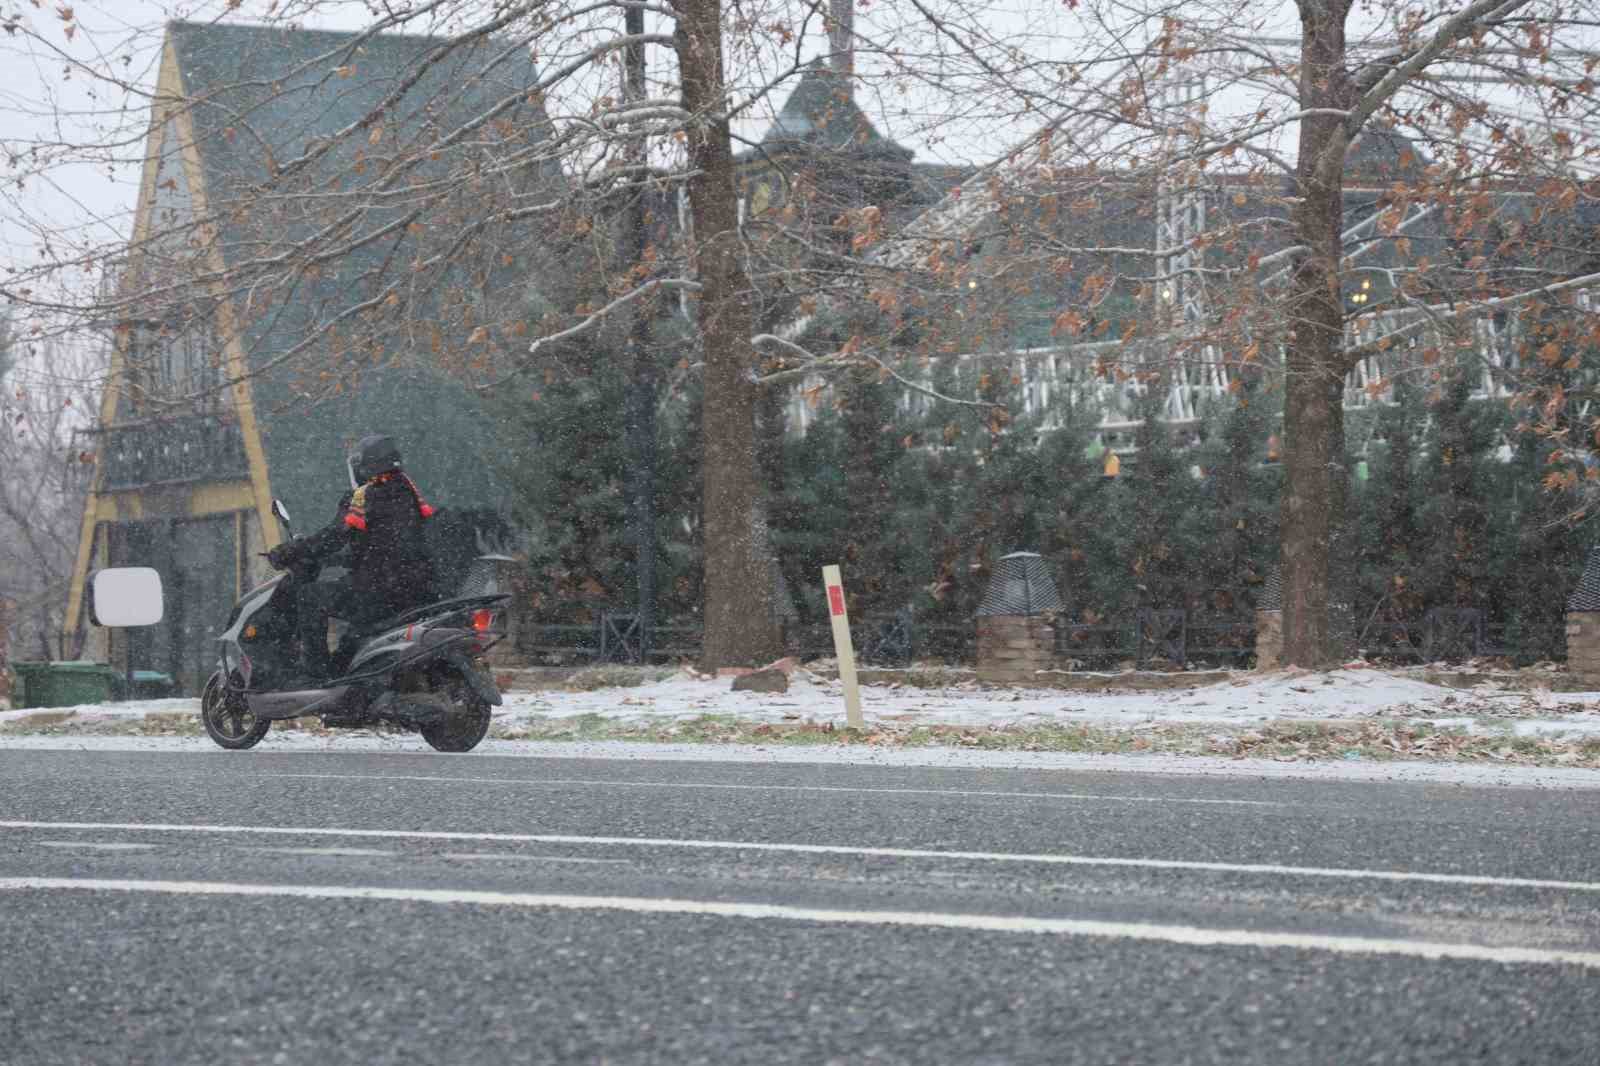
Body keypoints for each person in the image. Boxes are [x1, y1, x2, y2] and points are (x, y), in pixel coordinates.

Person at [268, 434, 441, 681]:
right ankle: (350, 679)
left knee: (310, 597)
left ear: (364, 466)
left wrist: (290, 551)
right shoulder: (408, 493)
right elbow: (384, 546)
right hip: (414, 588)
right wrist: (336, 561)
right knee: (354, 632)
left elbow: (333, 537)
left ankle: (315, 674)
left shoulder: (364, 496)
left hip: (380, 588)